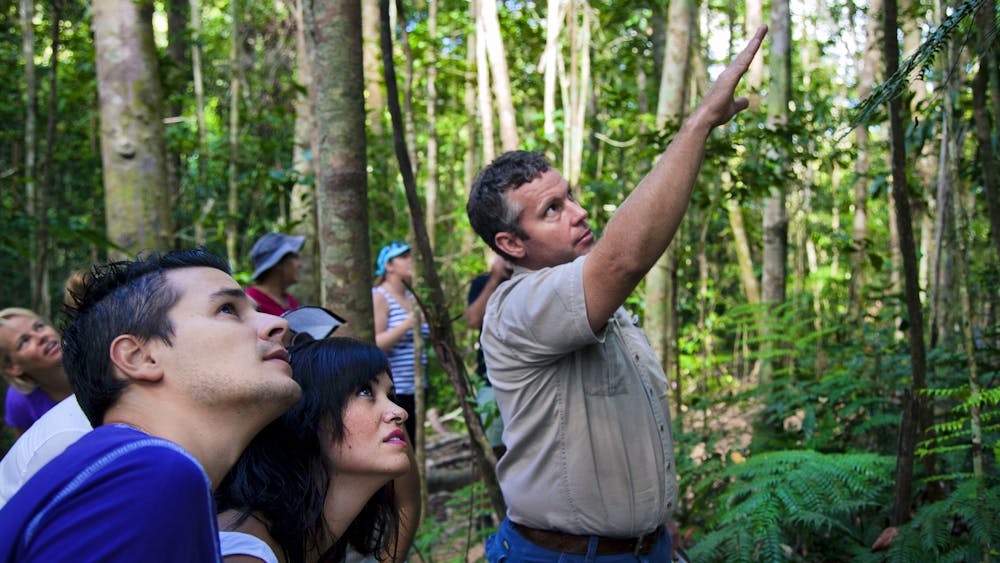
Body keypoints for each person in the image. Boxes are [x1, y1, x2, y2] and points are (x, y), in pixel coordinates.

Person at [465, 26, 768, 562]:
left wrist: (658, 539)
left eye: (569, 196)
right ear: (511, 244)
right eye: (551, 210)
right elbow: (625, 259)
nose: (579, 212)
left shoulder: (607, 312)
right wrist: (699, 123)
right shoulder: (516, 310)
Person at [0, 249, 302, 561]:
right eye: (227, 309)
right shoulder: (147, 473)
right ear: (139, 358)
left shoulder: (130, 464)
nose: (276, 324)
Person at [216, 337, 421, 563]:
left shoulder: (310, 537)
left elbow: (408, 501)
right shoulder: (244, 553)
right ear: (307, 416)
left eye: (390, 395)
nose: (399, 412)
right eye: (365, 392)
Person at [371, 240, 428, 442]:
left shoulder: (413, 297)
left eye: (411, 256)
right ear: (388, 265)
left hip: (418, 387)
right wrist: (409, 323)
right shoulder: (380, 296)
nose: (411, 261)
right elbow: (376, 343)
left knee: (416, 441)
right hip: (396, 389)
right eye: (403, 257)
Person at [465, 253, 512, 455]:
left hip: (533, 375)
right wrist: (494, 278)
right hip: (491, 378)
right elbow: (473, 320)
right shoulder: (483, 282)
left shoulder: (534, 277)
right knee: (496, 443)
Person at [1, 308, 74, 436]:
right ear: (12, 367)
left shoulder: (98, 354)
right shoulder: (19, 403)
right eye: (24, 341)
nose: (41, 337)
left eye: (39, 326)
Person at [248, 232, 305, 315]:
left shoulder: (291, 301)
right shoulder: (251, 300)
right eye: (295, 258)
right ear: (279, 263)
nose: (300, 265)